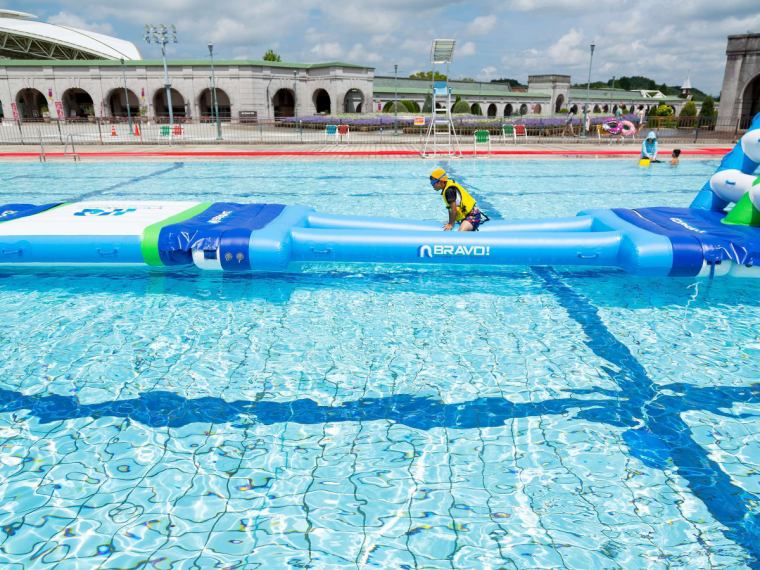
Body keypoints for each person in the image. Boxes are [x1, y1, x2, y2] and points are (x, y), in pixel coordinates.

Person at [429, 167, 483, 231]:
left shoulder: (449, 191)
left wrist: (451, 224)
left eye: (433, 183)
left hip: (473, 215)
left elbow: (454, 210)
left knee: (461, 232)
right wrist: (450, 222)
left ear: (441, 182)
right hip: (466, 215)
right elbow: (450, 208)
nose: (432, 185)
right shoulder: (446, 186)